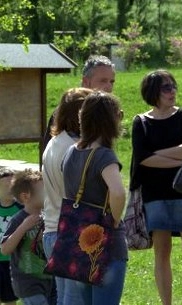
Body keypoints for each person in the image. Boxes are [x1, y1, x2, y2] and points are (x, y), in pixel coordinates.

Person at [130, 70, 182, 305]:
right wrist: (178, 157)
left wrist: (159, 154)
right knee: (162, 253)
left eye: (174, 86)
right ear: (153, 92)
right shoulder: (140, 122)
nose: (173, 91)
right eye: (166, 88)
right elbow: (142, 159)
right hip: (155, 195)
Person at [61, 91, 127, 305]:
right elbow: (117, 192)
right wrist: (115, 219)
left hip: (78, 240)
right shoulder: (104, 155)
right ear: (110, 120)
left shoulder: (71, 151)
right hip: (105, 241)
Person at [42, 87, 93, 305]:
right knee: (75, 301)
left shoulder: (54, 142)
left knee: (65, 299)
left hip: (52, 230)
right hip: (71, 233)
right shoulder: (74, 148)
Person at [1, 169, 53, 304]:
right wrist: (23, 227)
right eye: (43, 191)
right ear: (26, 196)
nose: (48, 194)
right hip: (27, 282)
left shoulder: (49, 217)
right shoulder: (19, 219)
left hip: (50, 279)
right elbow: (5, 249)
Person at [43, 55, 116, 148]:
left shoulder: (105, 111)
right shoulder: (69, 110)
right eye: (103, 81)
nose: (109, 87)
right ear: (86, 81)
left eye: (111, 81)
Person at [0, 169, 22, 305]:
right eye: (5, 185)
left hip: (12, 261)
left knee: (10, 298)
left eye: (12, 185)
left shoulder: (21, 209)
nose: (9, 188)